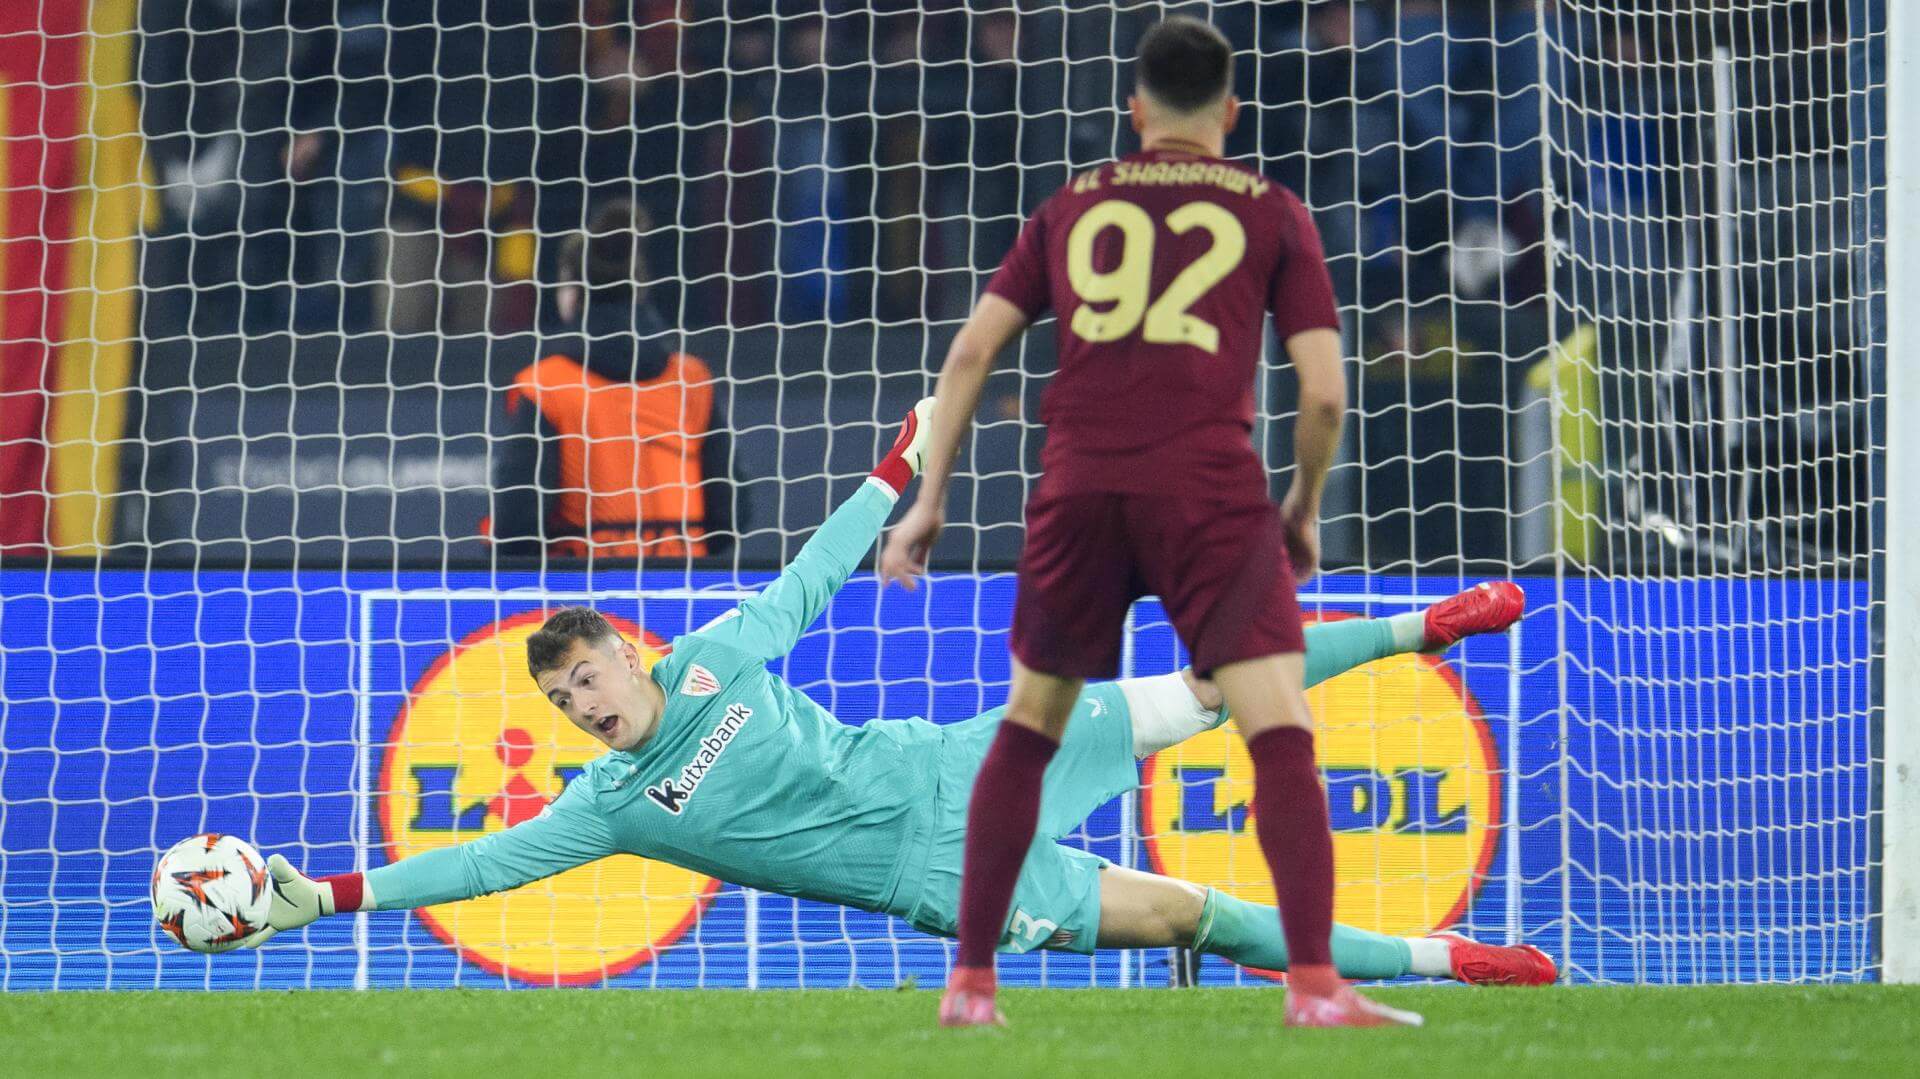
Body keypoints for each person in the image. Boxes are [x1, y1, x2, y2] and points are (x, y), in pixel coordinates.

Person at [236, 400, 1549, 993]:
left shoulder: (715, 656)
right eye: (567, 701)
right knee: (1202, 912)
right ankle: (1462, 962)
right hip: (940, 870)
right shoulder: (613, 805)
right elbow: (476, 864)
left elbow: (810, 574)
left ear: (630, 656)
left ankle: (1425, 622)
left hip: (964, 756)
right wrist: (331, 894)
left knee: (1204, 688)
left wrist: (892, 466)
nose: (584, 704)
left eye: (588, 676)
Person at [878, 16, 1400, 1027]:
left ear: (1136, 109)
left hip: (1079, 489)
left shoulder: (1073, 203)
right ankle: (1315, 984)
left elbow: (969, 356)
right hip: (1209, 491)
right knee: (1278, 731)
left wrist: (931, 497)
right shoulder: (1275, 211)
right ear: (1232, 111)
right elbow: (1326, 394)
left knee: (1029, 732)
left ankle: (973, 982)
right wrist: (1299, 507)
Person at [488, 199, 735, 559]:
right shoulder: (691, 378)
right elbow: (730, 515)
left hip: (581, 596)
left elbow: (516, 525)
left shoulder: (546, 385)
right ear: (640, 287)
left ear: (571, 290)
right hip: (684, 593)